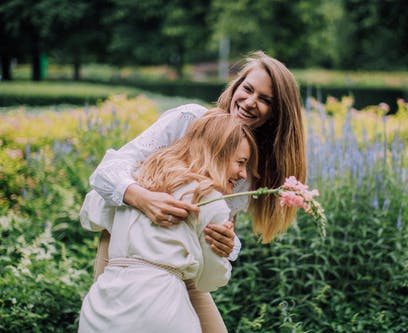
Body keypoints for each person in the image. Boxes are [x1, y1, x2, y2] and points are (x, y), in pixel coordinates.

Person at [88, 50, 307, 332]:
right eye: (248, 89)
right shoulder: (189, 119)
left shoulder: (246, 169)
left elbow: (218, 229)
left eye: (265, 100)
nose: (250, 102)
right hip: (127, 251)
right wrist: (142, 198)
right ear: (236, 87)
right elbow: (106, 171)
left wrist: (228, 245)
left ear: (276, 115)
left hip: (179, 261)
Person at [78, 110, 259, 333]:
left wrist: (135, 200)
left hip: (100, 308)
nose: (243, 174)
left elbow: (89, 214)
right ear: (218, 154)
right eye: (240, 163)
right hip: (161, 309)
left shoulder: (138, 178)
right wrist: (223, 257)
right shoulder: (209, 200)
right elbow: (209, 281)